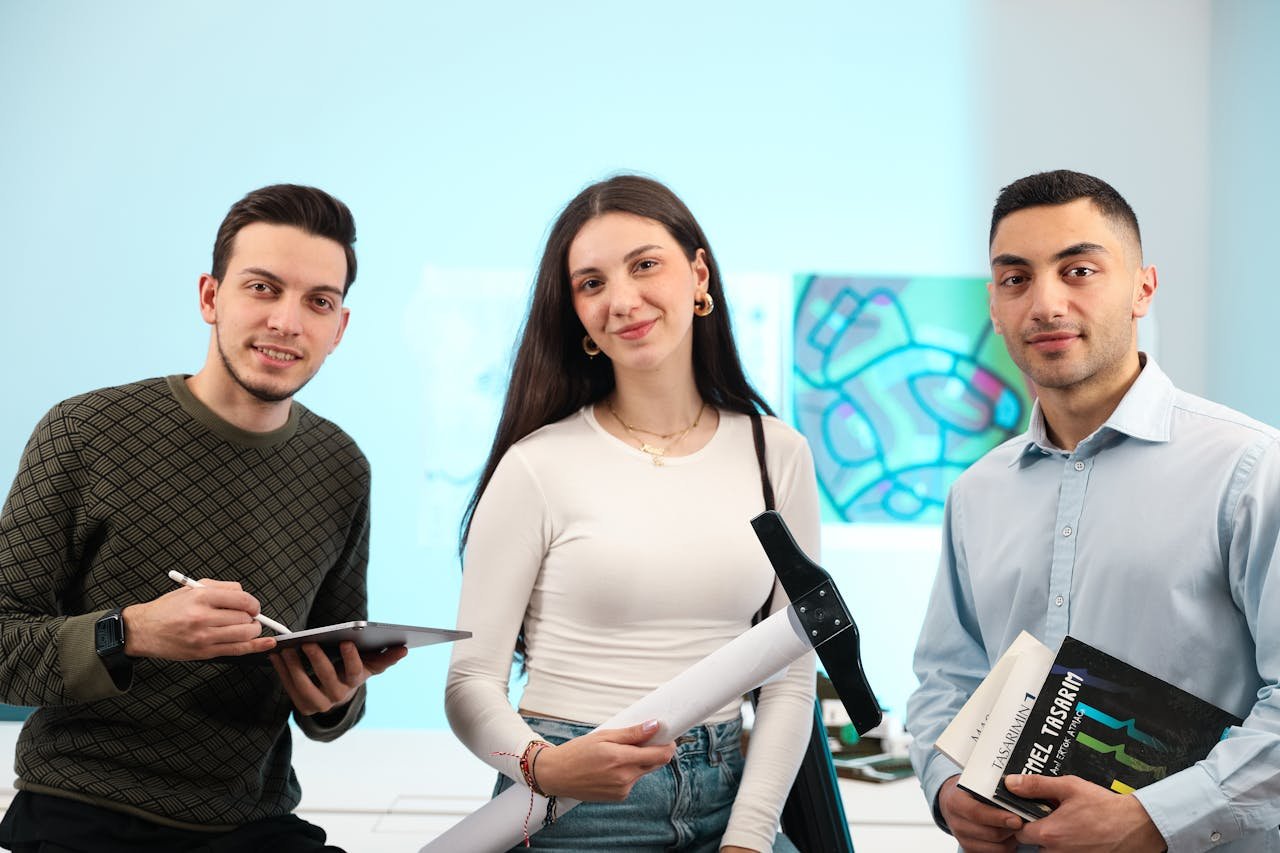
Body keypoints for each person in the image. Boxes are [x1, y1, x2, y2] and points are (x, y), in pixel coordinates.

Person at [0, 184, 407, 852]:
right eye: (263, 288)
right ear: (211, 297)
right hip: (86, 811)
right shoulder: (84, 430)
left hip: (253, 823)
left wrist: (332, 697)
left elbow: (333, 697)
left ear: (340, 327)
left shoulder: (342, 465)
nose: (287, 321)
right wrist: (127, 631)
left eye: (318, 302)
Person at [906, 169, 1280, 852]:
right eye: (1015, 278)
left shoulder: (1250, 469)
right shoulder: (977, 492)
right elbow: (946, 678)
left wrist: (1154, 818)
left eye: (1078, 270)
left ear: (1143, 287)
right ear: (994, 304)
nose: (1046, 303)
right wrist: (944, 783)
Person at [445, 175, 819, 852]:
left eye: (644, 264)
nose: (621, 299)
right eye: (591, 283)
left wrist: (748, 839)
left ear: (698, 274)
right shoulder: (537, 464)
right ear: (578, 315)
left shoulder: (777, 454)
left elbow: (791, 677)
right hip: (572, 799)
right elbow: (470, 683)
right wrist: (544, 765)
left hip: (729, 795)